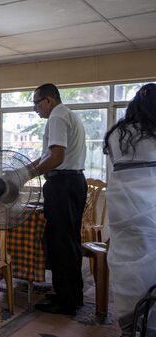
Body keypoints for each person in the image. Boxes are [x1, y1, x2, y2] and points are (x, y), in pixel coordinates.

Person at [25, 83, 87, 315]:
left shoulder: (57, 117)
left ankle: (66, 301)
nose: (35, 109)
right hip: (73, 182)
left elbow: (57, 158)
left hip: (62, 184)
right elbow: (47, 156)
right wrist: (23, 171)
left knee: (61, 243)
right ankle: (71, 293)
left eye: (36, 103)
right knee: (68, 241)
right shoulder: (69, 114)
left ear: (48, 100)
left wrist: (28, 175)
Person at [103, 83, 156, 336]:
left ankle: (130, 325)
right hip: (152, 215)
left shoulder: (116, 135)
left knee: (129, 272)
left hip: (122, 216)